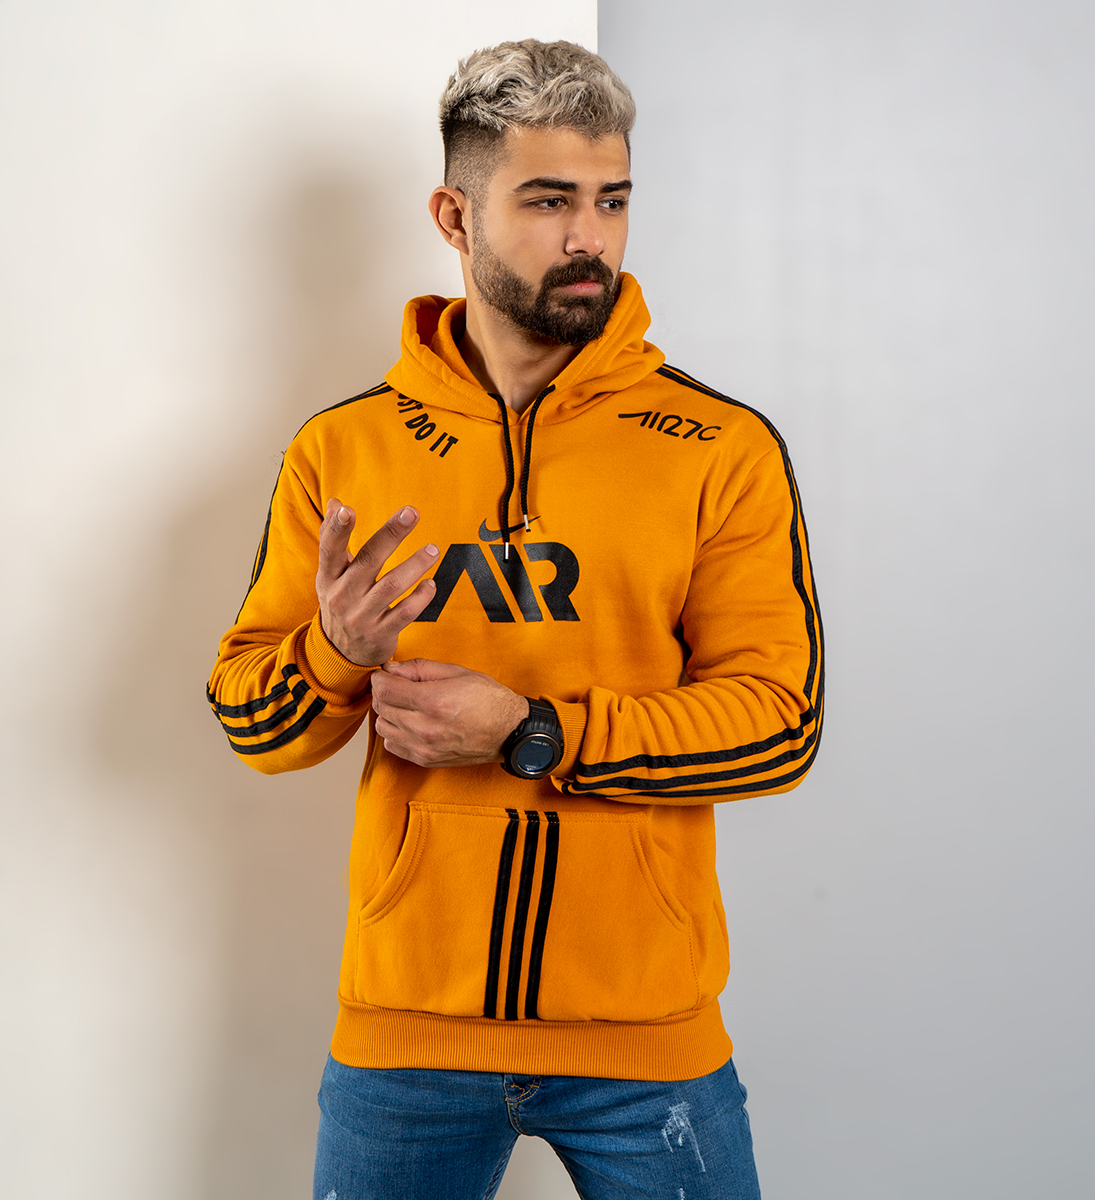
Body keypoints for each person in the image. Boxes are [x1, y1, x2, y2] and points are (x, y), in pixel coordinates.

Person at [208, 38, 823, 1200]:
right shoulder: (343, 449)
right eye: (548, 202)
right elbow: (254, 725)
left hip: (646, 1040)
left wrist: (535, 732)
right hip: (406, 1037)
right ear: (455, 214)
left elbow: (779, 725)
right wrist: (334, 653)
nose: (590, 237)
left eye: (612, 200)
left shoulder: (720, 450)